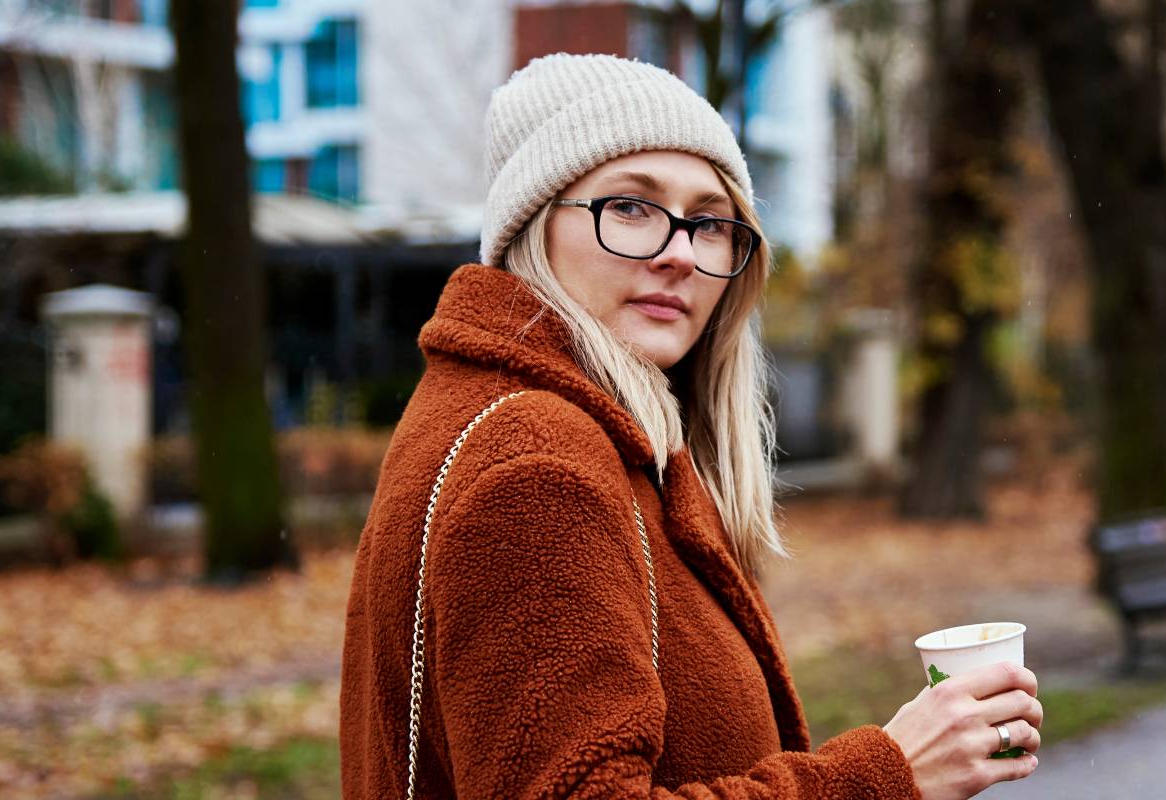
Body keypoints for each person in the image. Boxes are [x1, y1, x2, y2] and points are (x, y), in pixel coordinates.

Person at [338, 53, 1042, 799]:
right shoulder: (538, 466)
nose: (680, 253)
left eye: (709, 222)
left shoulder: (565, 431)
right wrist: (888, 776)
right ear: (533, 227)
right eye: (631, 207)